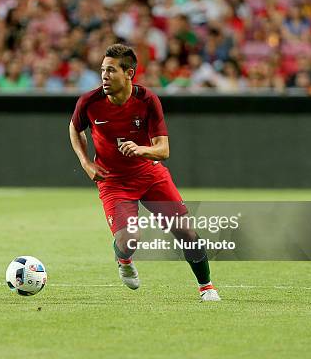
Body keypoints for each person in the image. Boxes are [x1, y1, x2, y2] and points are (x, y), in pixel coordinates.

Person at [68, 44, 220, 301]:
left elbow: (164, 150)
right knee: (130, 238)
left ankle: (207, 287)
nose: (104, 76)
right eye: (103, 70)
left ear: (129, 73)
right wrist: (85, 162)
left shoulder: (147, 100)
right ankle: (123, 258)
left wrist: (140, 150)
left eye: (111, 71)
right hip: (113, 180)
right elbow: (74, 129)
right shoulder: (89, 102)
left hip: (150, 175)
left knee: (185, 231)